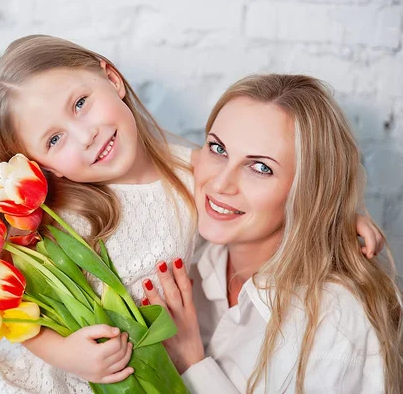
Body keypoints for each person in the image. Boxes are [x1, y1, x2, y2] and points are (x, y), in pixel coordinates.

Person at [0, 35, 200, 394]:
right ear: (43, 166)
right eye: (54, 140)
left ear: (112, 78)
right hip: (25, 378)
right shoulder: (64, 218)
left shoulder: (196, 173)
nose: (85, 135)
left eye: (80, 104)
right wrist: (63, 353)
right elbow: (12, 310)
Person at [142, 74, 402, 393]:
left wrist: (192, 363)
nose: (220, 183)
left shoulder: (333, 318)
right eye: (218, 148)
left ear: (308, 192)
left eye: (261, 167)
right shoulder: (186, 260)